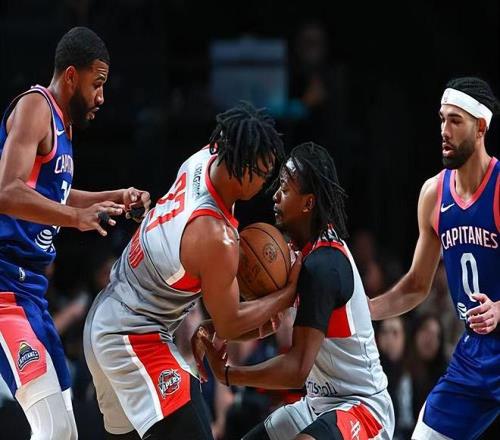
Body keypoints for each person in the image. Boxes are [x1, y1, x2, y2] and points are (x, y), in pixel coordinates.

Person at [83, 101, 302, 440]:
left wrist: (244, 323)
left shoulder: (206, 157)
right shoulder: (216, 236)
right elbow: (229, 324)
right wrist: (287, 294)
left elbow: (224, 326)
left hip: (109, 319)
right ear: (243, 168)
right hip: (130, 336)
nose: (266, 183)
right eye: (263, 173)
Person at [0, 27, 150, 439]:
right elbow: (6, 191)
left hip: (30, 293)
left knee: (66, 429)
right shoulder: (36, 107)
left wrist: (116, 197)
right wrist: (76, 218)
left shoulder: (64, 129)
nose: (101, 97)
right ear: (71, 76)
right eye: (96, 84)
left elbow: (58, 195)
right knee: (51, 429)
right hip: (4, 289)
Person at [198, 142, 394, 439]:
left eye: (285, 188)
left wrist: (229, 374)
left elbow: (296, 369)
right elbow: (267, 323)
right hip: (318, 404)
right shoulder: (297, 254)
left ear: (308, 203)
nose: (275, 195)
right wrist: (215, 329)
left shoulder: (324, 266)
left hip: (363, 407)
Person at [369, 76, 499, 439]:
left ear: (481, 128)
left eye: (455, 121)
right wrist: (362, 310)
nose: (444, 130)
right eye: (442, 119)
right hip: (475, 352)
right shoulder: (433, 193)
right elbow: (415, 286)